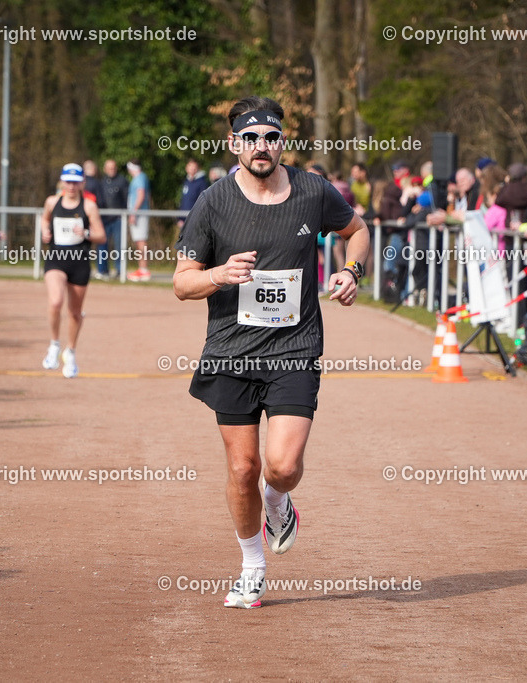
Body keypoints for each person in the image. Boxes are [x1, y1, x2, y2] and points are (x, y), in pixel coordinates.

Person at [173, 96, 369, 609]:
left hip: (294, 348)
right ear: (234, 143)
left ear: (282, 142)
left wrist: (352, 271)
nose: (263, 146)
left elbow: (358, 231)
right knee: (242, 469)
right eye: (252, 137)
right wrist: (218, 274)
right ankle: (252, 568)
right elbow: (181, 283)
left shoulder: (311, 191)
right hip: (232, 352)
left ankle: (279, 502)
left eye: (271, 137)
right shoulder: (213, 201)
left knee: (279, 468)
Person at [40, 163, 106, 378]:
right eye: (67, 181)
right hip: (56, 259)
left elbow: (101, 236)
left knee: (75, 312)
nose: (71, 185)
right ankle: (54, 345)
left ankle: (71, 351)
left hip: (79, 262)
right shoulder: (52, 201)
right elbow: (45, 219)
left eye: (75, 182)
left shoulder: (88, 206)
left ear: (82, 183)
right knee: (55, 301)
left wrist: (85, 232)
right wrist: (44, 232)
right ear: (62, 181)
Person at [94, 159, 127, 280]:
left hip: (119, 219)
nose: (111, 170)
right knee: (102, 244)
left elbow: (126, 199)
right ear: (105, 169)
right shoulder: (101, 183)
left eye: (113, 167)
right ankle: (102, 270)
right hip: (104, 219)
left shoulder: (122, 181)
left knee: (119, 246)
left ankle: (119, 270)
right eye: (109, 168)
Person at [126, 159, 152, 281]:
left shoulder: (140, 177)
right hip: (138, 214)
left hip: (140, 214)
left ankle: (144, 270)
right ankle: (142, 268)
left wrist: (134, 212)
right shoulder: (139, 178)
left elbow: (141, 195)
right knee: (139, 241)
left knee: (141, 241)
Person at [178, 158, 208, 228]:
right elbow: (183, 201)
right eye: (190, 167)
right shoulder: (186, 182)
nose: (192, 169)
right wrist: (180, 218)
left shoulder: (202, 183)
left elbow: (202, 202)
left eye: (194, 167)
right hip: (183, 220)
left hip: (195, 220)